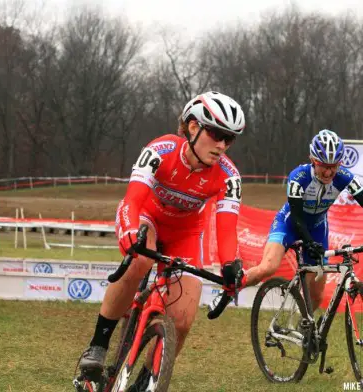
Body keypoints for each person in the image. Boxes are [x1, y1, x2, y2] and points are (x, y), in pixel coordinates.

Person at [79, 91, 246, 387]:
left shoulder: (229, 176)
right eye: (217, 133)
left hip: (185, 233)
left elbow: (226, 228)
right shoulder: (162, 149)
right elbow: (132, 200)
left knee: (181, 320)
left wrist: (231, 265)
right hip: (146, 217)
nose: (222, 145)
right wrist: (132, 232)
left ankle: (148, 379)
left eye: (229, 139)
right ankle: (98, 346)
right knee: (140, 260)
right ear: (193, 127)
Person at [240, 129, 363, 312]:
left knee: (316, 295)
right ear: (313, 160)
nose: (329, 172)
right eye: (324, 165)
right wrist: (307, 243)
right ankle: (230, 288)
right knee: (267, 268)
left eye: (334, 166)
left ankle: (304, 328)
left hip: (317, 228)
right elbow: (298, 217)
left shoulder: (344, 177)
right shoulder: (298, 177)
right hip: (290, 224)